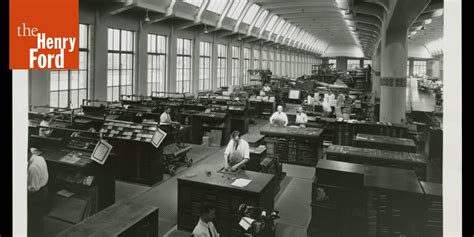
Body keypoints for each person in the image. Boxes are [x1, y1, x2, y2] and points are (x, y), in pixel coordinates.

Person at [28, 149, 49, 236]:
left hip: (36, 195)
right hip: (44, 189)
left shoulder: (33, 167)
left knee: (34, 218)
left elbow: (32, 189)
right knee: (38, 216)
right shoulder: (39, 158)